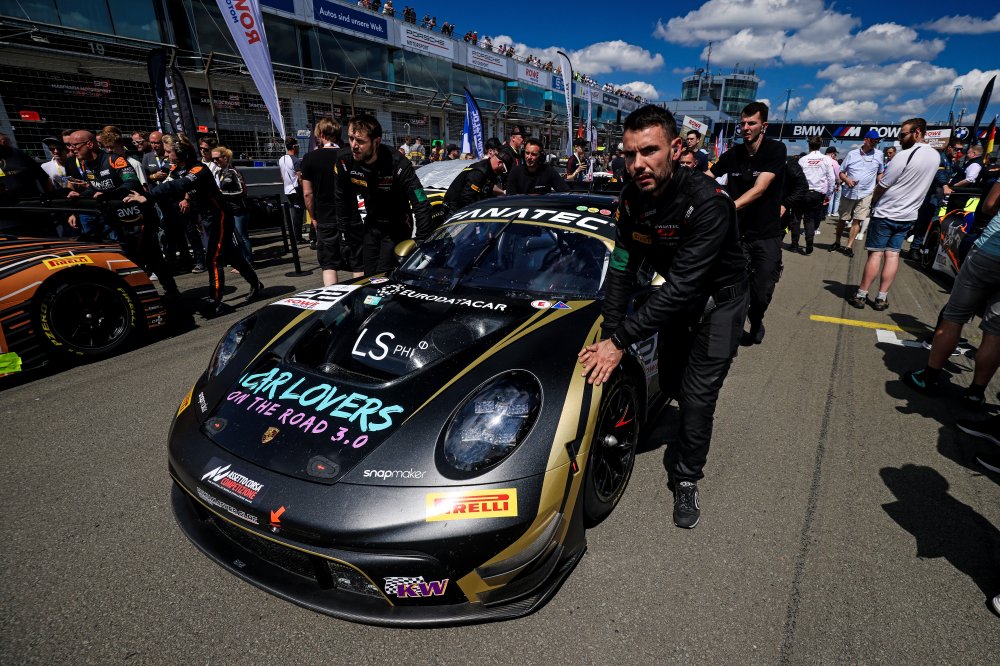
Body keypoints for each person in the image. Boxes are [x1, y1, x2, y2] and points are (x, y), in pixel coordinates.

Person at [577, 105, 748, 529]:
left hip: (720, 304)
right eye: (629, 154)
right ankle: (678, 419)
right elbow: (622, 270)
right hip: (679, 300)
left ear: (675, 148)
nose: (637, 164)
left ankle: (687, 476)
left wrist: (619, 343)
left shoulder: (709, 203)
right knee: (671, 383)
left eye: (649, 151)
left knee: (696, 398)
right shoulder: (631, 197)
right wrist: (610, 334)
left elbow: (682, 288)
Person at [125, 136, 262, 316]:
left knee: (213, 258)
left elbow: (179, 184)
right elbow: (164, 181)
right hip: (205, 217)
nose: (166, 155)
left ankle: (215, 300)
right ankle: (256, 283)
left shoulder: (199, 169)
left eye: (169, 152)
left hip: (219, 216)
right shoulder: (175, 167)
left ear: (181, 154)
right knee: (231, 254)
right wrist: (145, 194)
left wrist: (148, 197)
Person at [904, 180, 1000, 410]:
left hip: (990, 250)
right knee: (996, 331)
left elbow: (989, 205)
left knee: (954, 316)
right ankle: (975, 393)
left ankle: (930, 377)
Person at [707, 101, 786, 346]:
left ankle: (756, 318)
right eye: (742, 123)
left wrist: (728, 207)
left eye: (751, 123)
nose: (746, 127)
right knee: (732, 287)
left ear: (764, 125)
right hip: (738, 234)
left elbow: (760, 189)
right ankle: (733, 327)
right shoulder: (733, 154)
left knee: (761, 293)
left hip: (766, 234)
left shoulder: (775, 150)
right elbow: (708, 176)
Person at [848, 118, 940, 311]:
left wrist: (873, 200)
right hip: (908, 214)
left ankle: (861, 295)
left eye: (903, 134)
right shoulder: (935, 156)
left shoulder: (904, 155)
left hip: (886, 211)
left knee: (876, 254)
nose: (900, 138)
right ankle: (881, 298)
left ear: (917, 132)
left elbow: (883, 184)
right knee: (892, 255)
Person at [333, 114, 432, 275]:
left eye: (360, 141)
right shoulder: (344, 160)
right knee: (369, 275)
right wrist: (344, 237)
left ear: (376, 142)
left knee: (384, 275)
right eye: (351, 138)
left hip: (397, 224)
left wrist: (422, 240)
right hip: (372, 223)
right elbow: (341, 200)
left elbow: (421, 201)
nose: (354, 145)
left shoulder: (398, 163)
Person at [302, 117, 360, 286]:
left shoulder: (310, 158)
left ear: (321, 134)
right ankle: (361, 297)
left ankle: (333, 299)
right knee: (358, 262)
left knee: (329, 265)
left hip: (325, 217)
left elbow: (307, 194)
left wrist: (313, 217)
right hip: (351, 216)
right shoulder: (350, 155)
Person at [832, 130, 884, 256]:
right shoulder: (852, 154)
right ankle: (837, 242)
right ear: (865, 140)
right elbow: (841, 172)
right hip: (849, 192)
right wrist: (847, 180)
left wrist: (881, 185)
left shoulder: (879, 155)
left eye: (876, 141)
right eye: (872, 140)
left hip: (866, 193)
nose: (875, 143)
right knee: (843, 219)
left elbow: (880, 172)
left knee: (858, 220)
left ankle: (849, 246)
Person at [212, 146, 252, 268]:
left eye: (217, 159)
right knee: (235, 238)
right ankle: (241, 263)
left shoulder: (234, 172)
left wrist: (223, 194)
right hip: (228, 210)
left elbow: (243, 191)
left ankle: (248, 262)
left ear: (225, 158)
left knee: (242, 237)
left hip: (239, 209)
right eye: (213, 159)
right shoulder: (219, 172)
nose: (215, 161)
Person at [796, 136, 837, 255]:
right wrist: (829, 194)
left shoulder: (803, 160)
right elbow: (831, 178)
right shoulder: (826, 160)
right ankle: (810, 237)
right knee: (813, 217)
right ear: (820, 146)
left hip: (804, 192)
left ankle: (802, 240)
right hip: (818, 193)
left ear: (809, 145)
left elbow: (797, 176)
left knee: (805, 217)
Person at [443, 150, 513, 211]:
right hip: (455, 207)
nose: (502, 172)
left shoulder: (489, 170)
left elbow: (489, 188)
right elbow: (467, 196)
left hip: (464, 206)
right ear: (499, 163)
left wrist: (502, 193)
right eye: (503, 169)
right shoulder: (479, 172)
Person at [0, 133, 51, 204]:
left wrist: (49, 196)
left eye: (6, 140)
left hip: (31, 200)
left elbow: (43, 176)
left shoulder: (18, 154)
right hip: (8, 203)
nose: (6, 143)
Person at [278, 137, 306, 241]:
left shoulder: (281, 159)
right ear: (294, 147)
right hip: (296, 189)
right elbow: (300, 178)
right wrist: (305, 189)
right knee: (298, 214)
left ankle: (295, 236)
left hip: (287, 189)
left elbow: (282, 176)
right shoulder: (296, 160)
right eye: (297, 146)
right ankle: (297, 238)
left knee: (294, 212)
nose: (298, 148)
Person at [825, 146, 840, 217]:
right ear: (832, 154)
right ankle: (829, 212)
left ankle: (828, 212)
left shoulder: (820, 159)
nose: (835, 156)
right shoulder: (834, 162)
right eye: (835, 154)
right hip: (830, 184)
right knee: (830, 198)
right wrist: (838, 184)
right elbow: (837, 175)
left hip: (818, 185)